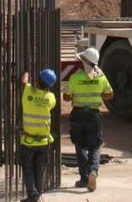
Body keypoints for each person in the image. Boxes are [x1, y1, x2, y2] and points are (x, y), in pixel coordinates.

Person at [65, 48, 113, 192]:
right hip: (94, 115)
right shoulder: (101, 77)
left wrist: (76, 96)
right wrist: (99, 96)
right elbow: (110, 94)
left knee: (80, 146)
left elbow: (66, 97)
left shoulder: (75, 77)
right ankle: (93, 171)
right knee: (94, 146)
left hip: (78, 115)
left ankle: (84, 178)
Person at [18, 68, 59, 202]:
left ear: (38, 80)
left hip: (28, 141)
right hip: (44, 142)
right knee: (39, 170)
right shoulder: (51, 98)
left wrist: (26, 72)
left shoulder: (27, 91)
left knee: (28, 169)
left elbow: (24, 81)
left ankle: (33, 194)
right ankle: (36, 194)